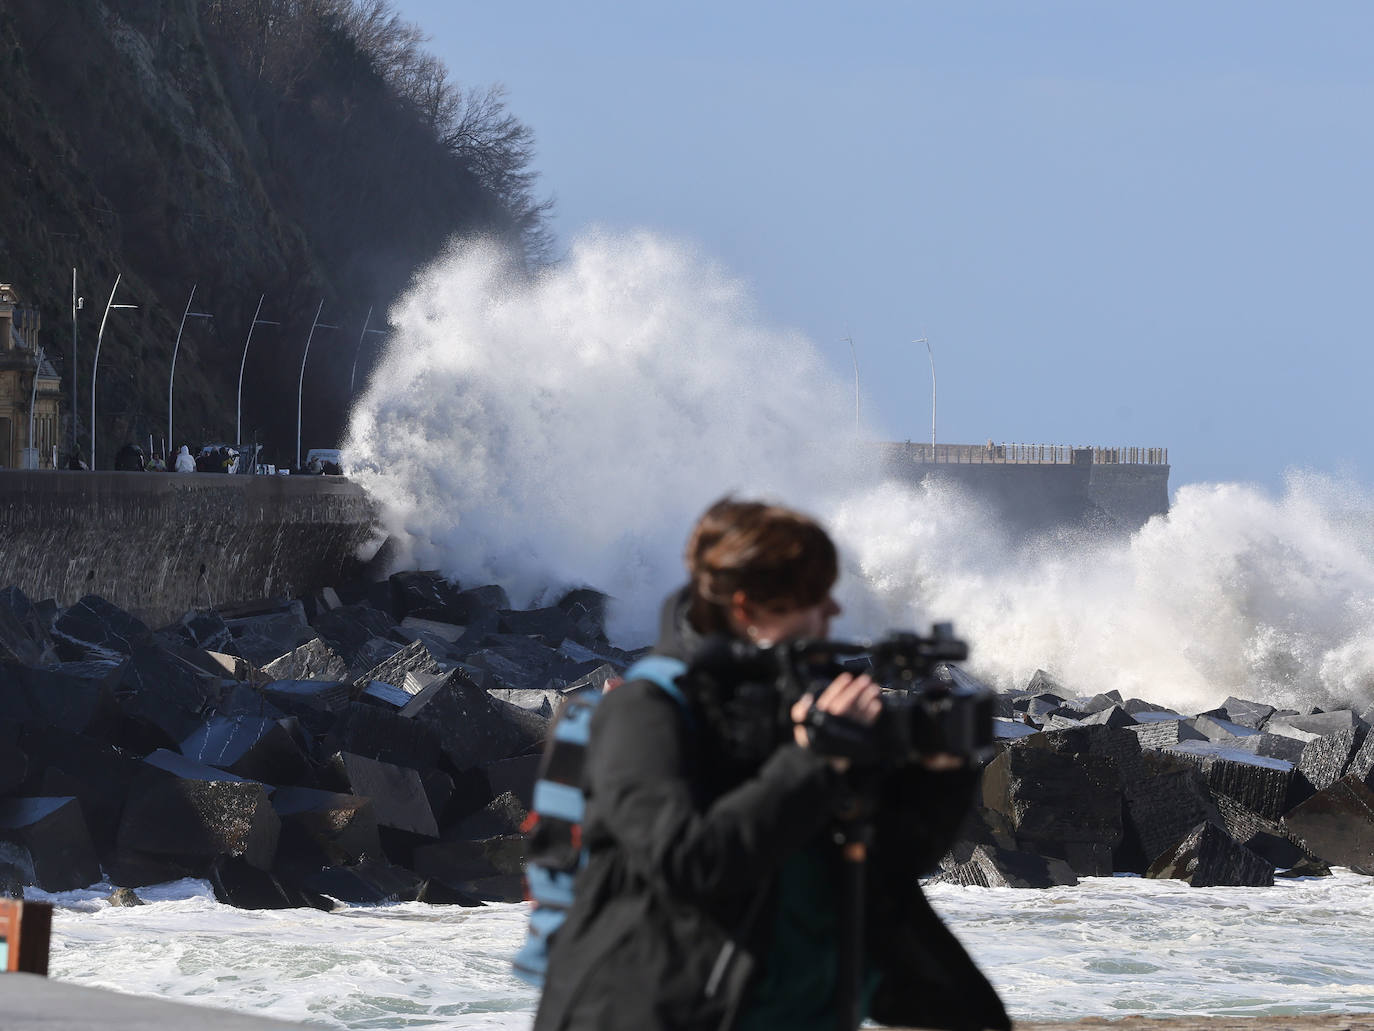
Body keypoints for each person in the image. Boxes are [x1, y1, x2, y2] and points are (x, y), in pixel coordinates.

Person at [533, 498, 1008, 1031]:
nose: (833, 612)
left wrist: (941, 771)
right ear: (746, 609)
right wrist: (813, 761)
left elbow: (894, 858)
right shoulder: (645, 713)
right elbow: (690, 863)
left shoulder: (800, 706)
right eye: (814, 597)